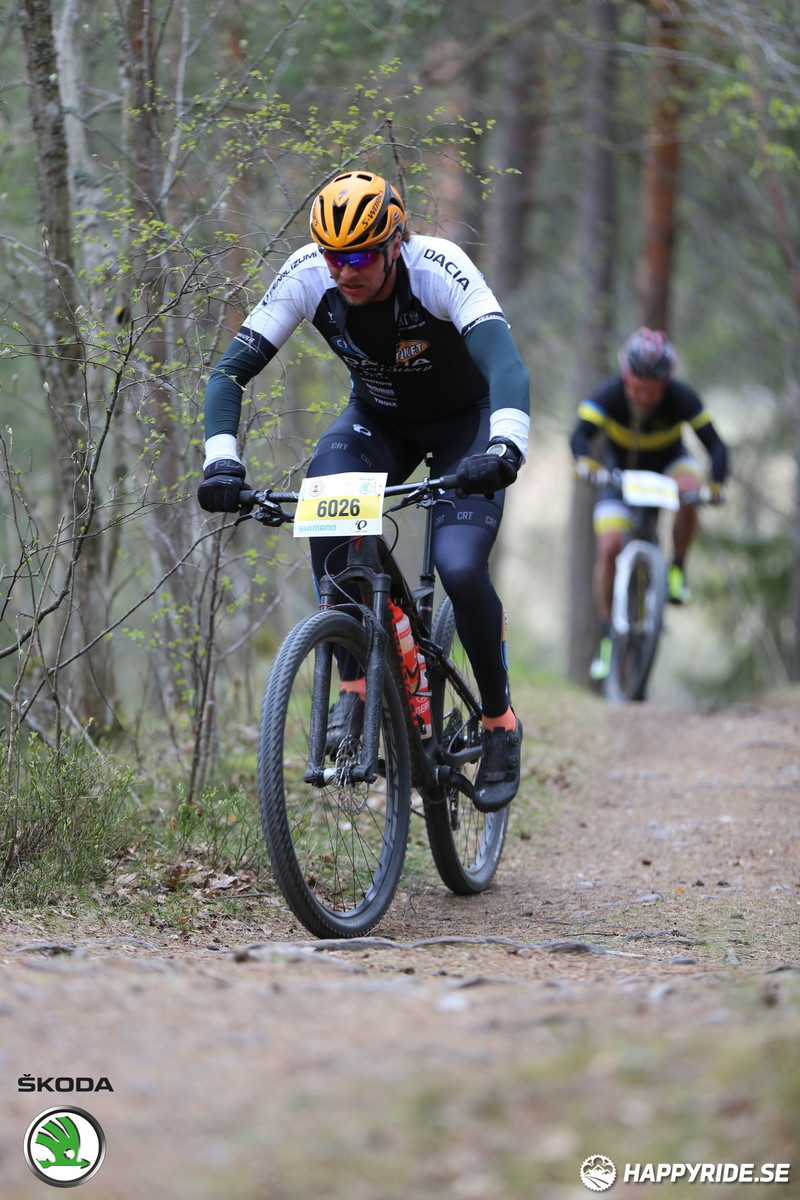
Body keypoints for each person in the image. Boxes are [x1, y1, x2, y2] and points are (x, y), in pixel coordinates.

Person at [198, 169, 530, 812]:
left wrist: (504, 447)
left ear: (395, 244)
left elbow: (506, 366)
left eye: (359, 257)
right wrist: (221, 463)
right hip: (379, 421)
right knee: (326, 513)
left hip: (468, 425)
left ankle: (498, 722)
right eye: (332, 256)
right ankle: (355, 685)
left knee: (459, 566)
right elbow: (229, 374)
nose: (343, 270)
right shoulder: (308, 274)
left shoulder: (439, 269)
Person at [570, 327, 728, 682]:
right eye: (637, 387)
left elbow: (716, 445)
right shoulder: (609, 393)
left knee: (691, 490)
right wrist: (584, 462)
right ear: (626, 376)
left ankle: (677, 569)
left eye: (653, 389)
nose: (644, 395)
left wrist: (717, 484)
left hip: (669, 465)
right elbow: (579, 434)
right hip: (619, 474)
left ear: (666, 383)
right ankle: (608, 634)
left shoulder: (681, 397)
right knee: (609, 546)